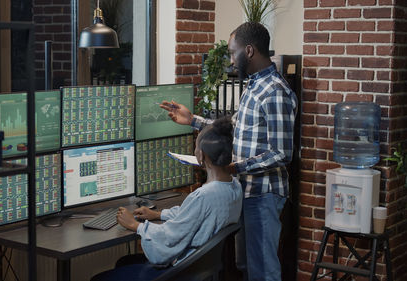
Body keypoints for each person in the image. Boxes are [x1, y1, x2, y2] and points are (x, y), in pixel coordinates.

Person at [160, 22, 298, 281]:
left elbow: (281, 153)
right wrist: (193, 121)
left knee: (263, 272)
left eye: (233, 53)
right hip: (245, 192)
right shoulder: (254, 86)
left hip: (263, 195)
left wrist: (233, 167)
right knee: (246, 266)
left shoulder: (275, 92)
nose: (231, 62)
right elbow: (233, 127)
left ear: (248, 51)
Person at [90, 117, 242, 281]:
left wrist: (136, 226)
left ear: (201, 155)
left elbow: (171, 236)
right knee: (125, 261)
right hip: (200, 268)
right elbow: (191, 215)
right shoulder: (234, 186)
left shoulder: (203, 196)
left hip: (181, 271)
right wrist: (158, 214)